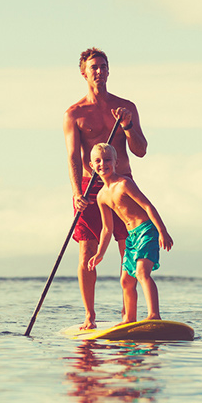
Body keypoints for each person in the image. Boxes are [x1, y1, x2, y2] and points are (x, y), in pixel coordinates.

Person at [64, 47, 148, 330]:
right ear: (83, 73)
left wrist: (127, 125)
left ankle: (129, 315)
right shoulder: (74, 114)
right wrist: (77, 192)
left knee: (130, 251)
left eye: (103, 66)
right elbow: (74, 157)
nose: (99, 71)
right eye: (93, 67)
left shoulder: (126, 107)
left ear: (109, 70)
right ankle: (89, 316)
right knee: (88, 253)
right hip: (90, 187)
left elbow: (140, 150)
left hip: (123, 184)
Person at [87, 143, 173, 326]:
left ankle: (154, 315)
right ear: (91, 166)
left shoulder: (124, 184)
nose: (103, 164)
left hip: (147, 231)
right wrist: (100, 253)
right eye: (98, 161)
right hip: (131, 237)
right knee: (126, 280)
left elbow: (148, 206)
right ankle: (129, 318)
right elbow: (107, 229)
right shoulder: (101, 196)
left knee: (142, 273)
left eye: (108, 160)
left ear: (116, 162)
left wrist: (162, 231)